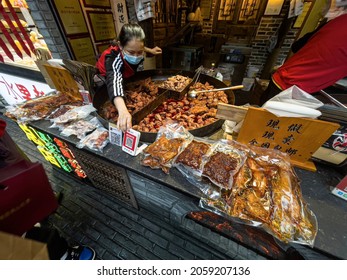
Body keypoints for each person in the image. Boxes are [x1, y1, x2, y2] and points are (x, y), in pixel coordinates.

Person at [260, 14, 347, 105]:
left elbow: (297, 46)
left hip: (283, 77)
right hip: (297, 89)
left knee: (259, 115)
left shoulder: (339, 19)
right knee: (266, 117)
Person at [95, 23, 162, 131]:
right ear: (120, 46)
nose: (136, 56)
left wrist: (150, 50)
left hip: (123, 74)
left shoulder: (135, 46)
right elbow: (114, 80)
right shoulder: (113, 58)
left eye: (139, 52)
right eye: (131, 52)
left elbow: (139, 46)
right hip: (105, 79)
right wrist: (123, 111)